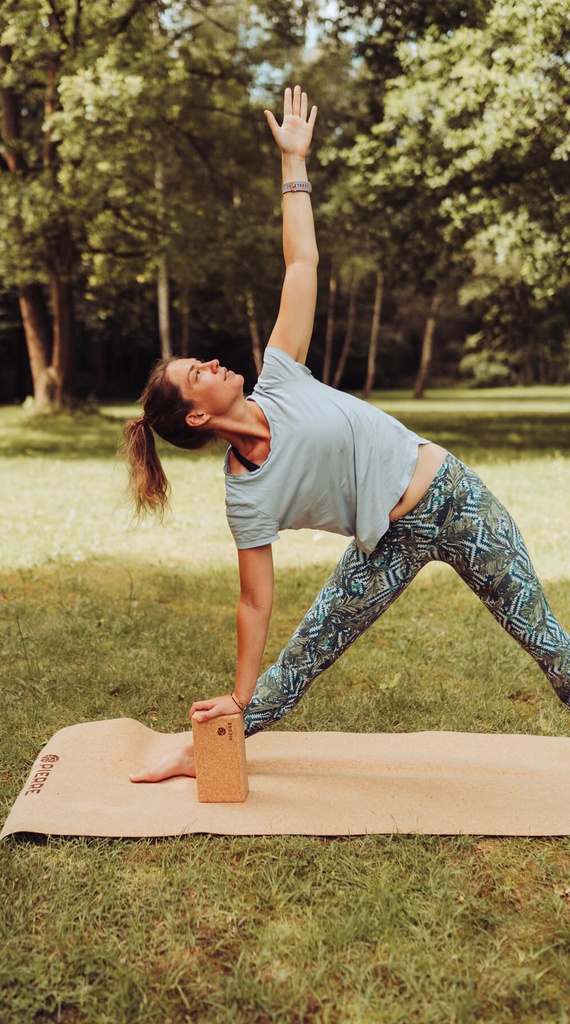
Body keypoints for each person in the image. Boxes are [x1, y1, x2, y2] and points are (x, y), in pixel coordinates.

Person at [123, 86, 570, 783]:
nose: (211, 362)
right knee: (301, 657)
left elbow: (301, 266)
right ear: (198, 417)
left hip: (454, 498)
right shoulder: (246, 495)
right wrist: (238, 696)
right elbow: (254, 601)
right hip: (385, 541)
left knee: (545, 639)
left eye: (203, 359)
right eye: (197, 371)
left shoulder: (281, 375)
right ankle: (205, 748)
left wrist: (293, 165)